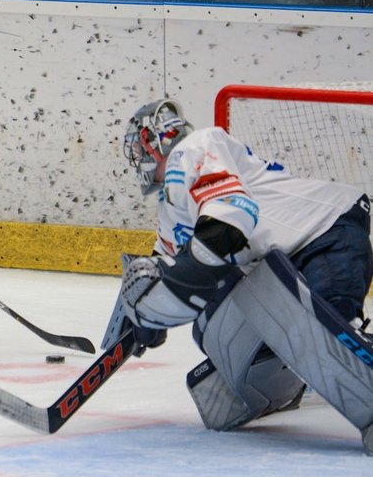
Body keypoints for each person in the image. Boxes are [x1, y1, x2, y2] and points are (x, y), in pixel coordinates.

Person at [103, 98, 373, 453]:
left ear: (157, 139)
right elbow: (163, 270)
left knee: (327, 329)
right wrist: (138, 319)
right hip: (280, 265)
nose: (137, 158)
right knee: (210, 325)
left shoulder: (193, 148)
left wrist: (172, 289)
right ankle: (275, 380)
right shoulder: (171, 209)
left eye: (139, 147)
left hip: (324, 233)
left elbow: (230, 218)